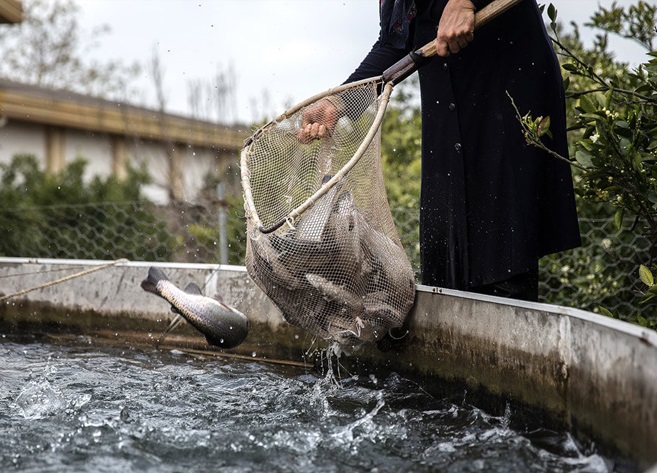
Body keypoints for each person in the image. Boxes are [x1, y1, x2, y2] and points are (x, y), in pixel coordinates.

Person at [299, 0, 581, 302]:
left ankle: (509, 334)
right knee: (446, 247)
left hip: (504, 86)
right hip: (446, 101)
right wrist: (340, 100)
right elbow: (396, 43)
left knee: (503, 243)